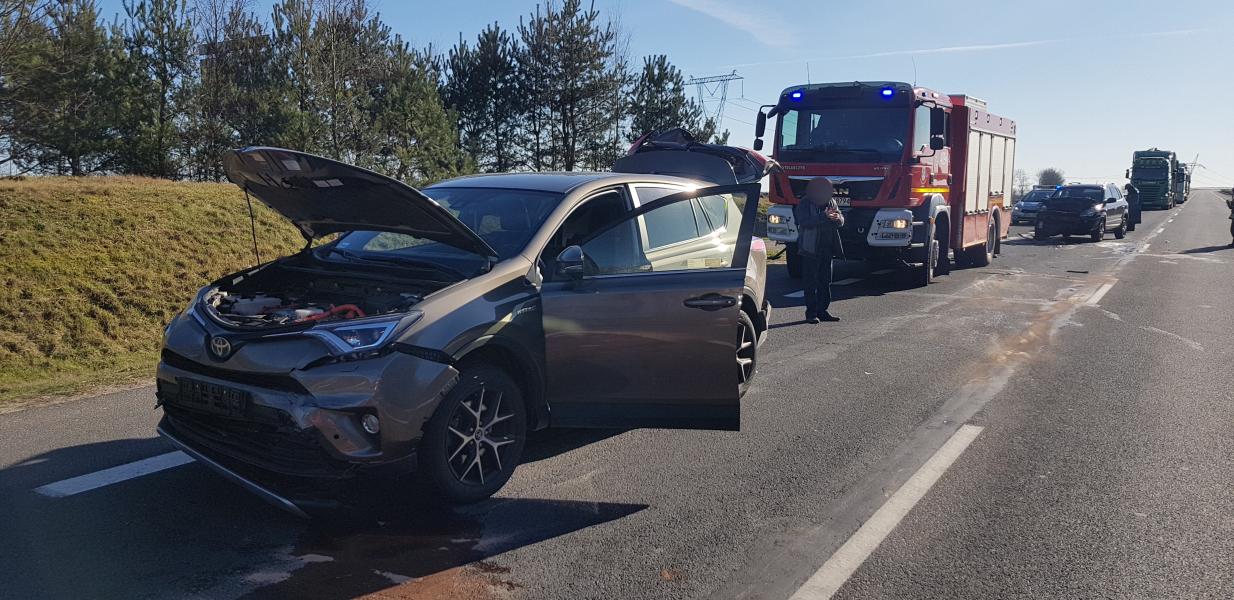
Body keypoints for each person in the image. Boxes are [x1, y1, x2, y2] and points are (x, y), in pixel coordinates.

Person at [794, 177, 845, 323]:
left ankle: (823, 311)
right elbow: (803, 221)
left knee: (825, 281)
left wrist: (837, 218)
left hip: (827, 247)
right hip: (810, 248)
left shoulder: (831, 202)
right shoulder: (805, 202)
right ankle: (811, 313)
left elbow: (841, 220)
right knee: (810, 282)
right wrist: (823, 216)